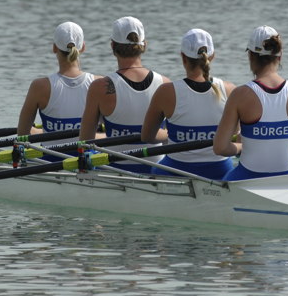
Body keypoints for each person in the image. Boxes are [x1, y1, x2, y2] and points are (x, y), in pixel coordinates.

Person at [213, 26, 288, 181]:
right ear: (280, 56)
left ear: (250, 56)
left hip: (245, 178)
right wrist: (283, 151)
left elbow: (220, 147)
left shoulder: (240, 95)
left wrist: (244, 147)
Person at [141, 29, 235, 180]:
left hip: (175, 170)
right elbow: (234, 135)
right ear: (212, 56)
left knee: (155, 168)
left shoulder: (166, 92)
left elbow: (147, 136)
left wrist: (174, 134)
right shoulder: (230, 90)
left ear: (183, 57)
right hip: (220, 171)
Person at [79, 16, 170, 174]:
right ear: (144, 46)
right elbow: (171, 138)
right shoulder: (165, 84)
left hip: (115, 170)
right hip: (158, 169)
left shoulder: (100, 87)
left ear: (113, 46)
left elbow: (85, 142)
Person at [17, 22, 100, 138]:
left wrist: (47, 131)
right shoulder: (100, 84)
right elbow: (112, 134)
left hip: (51, 156)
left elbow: (22, 134)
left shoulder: (40, 86)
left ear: (54, 48)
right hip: (88, 155)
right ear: (83, 48)